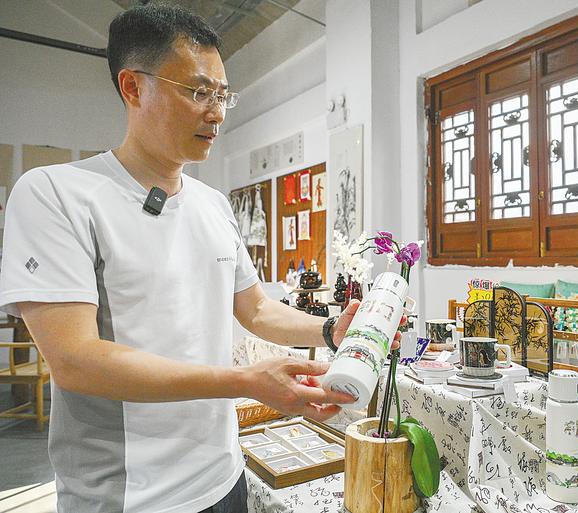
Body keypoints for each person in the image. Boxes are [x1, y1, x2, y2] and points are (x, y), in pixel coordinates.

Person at [0, 4, 401, 513]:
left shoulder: (213, 204)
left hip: (224, 476)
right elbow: (76, 361)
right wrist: (245, 382)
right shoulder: (58, 193)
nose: (216, 113)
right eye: (197, 92)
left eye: (222, 95)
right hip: (131, 497)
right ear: (133, 87)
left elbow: (256, 309)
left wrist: (330, 331)